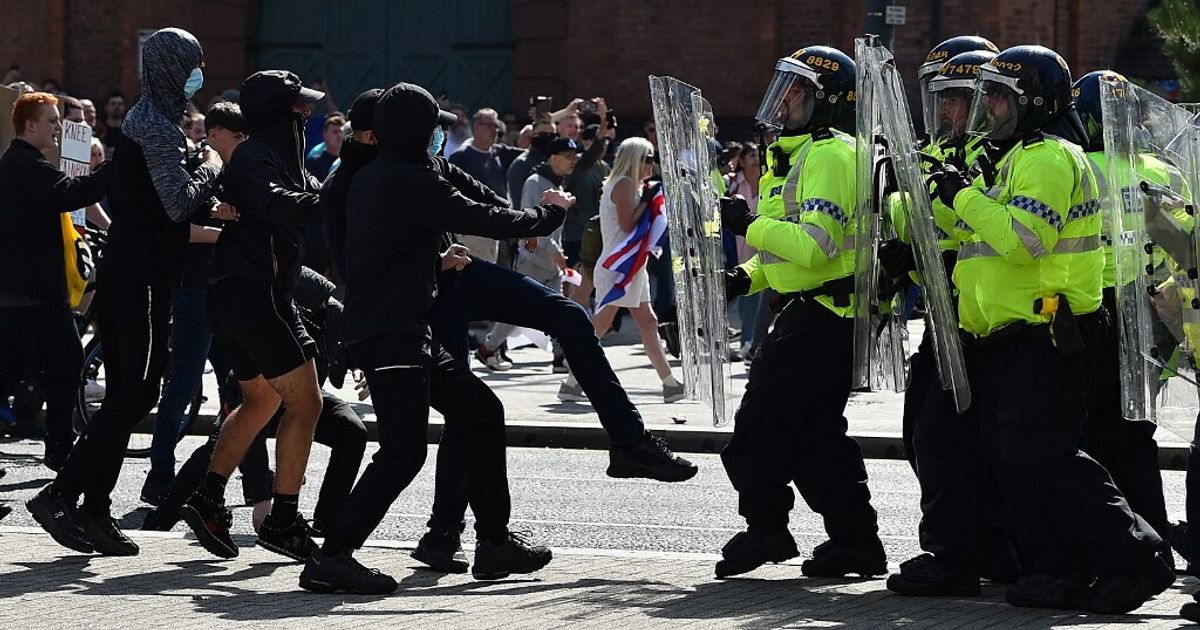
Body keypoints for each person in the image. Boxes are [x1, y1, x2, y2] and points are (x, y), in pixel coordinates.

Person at [299, 82, 566, 594]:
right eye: (432, 127)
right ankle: (332, 555)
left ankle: (492, 542)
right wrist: (548, 216)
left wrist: (431, 263)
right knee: (404, 452)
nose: (438, 136)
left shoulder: (378, 175)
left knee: (481, 411)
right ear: (417, 131)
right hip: (389, 330)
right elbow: (484, 217)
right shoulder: (404, 178)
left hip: (402, 327)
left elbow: (390, 248)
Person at [931, 45, 1172, 612]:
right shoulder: (1012, 157)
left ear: (1033, 101)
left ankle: (1139, 557)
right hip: (1008, 334)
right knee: (1014, 460)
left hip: (1046, 331)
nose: (986, 107)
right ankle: (1056, 569)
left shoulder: (1046, 157)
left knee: (1050, 458)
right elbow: (975, 231)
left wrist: (959, 193)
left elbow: (1025, 238)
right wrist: (933, 187)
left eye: (997, 96)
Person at [26, 28, 222, 556]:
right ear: (170, 67)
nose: (196, 75)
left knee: (130, 394)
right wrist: (212, 165)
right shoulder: (155, 125)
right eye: (191, 64)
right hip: (140, 277)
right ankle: (61, 494)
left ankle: (93, 509)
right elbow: (179, 203)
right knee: (137, 393)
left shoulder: (153, 121)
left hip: (139, 273)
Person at [718, 46, 887, 580]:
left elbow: (815, 248)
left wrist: (747, 226)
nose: (783, 99)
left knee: (757, 428)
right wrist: (744, 277)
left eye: (797, 90)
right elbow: (792, 258)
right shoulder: (794, 154)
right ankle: (856, 542)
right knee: (815, 439)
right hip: (812, 309)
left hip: (825, 318)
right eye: (782, 86)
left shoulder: (832, 155)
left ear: (828, 101)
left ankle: (767, 528)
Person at [885, 46, 1026, 598]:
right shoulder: (943, 154)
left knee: (941, 435)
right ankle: (990, 543)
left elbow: (964, 221)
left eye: (955, 100)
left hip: (978, 318)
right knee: (927, 433)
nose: (943, 112)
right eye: (937, 99)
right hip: (948, 313)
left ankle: (955, 553)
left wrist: (928, 222)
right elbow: (914, 214)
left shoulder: (986, 156)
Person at [180, 70, 328, 562]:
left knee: (261, 401)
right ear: (275, 113)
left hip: (247, 295)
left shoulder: (282, 157)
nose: (307, 114)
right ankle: (282, 519)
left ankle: (206, 499)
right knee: (305, 404)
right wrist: (336, 191)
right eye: (299, 108)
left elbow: (317, 197)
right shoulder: (254, 158)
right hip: (254, 295)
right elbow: (278, 205)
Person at [143, 266, 366, 538]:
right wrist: (262, 498)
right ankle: (159, 523)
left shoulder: (331, 312)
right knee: (220, 448)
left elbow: (344, 358)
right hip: (256, 386)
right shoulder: (276, 302)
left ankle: (326, 525)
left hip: (296, 393)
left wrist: (362, 366)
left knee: (351, 431)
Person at [1071, 69, 1172, 548]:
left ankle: (1114, 542)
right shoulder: (1162, 170)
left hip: (1097, 308)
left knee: (1089, 432)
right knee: (1136, 433)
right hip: (1154, 311)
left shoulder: (1079, 165)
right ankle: (1154, 529)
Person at [140, 102, 246, 505]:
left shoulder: (226, 170)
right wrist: (228, 231)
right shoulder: (192, 168)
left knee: (235, 385)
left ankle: (221, 475)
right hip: (194, 289)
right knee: (183, 384)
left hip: (221, 288)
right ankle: (160, 475)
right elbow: (179, 229)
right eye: (231, 137)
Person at [0, 92, 112, 474]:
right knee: (61, 367)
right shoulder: (25, 165)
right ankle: (61, 450)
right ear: (30, 125)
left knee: (58, 369)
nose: (58, 127)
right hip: (32, 298)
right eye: (51, 120)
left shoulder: (22, 164)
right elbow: (74, 192)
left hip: (28, 296)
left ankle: (61, 449)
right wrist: (117, 167)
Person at [565, 137, 684, 402]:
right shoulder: (624, 184)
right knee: (602, 326)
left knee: (648, 322)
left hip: (631, 265)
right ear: (634, 160)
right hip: (620, 266)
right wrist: (648, 201)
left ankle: (670, 384)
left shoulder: (630, 184)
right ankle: (572, 381)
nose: (652, 164)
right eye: (648, 158)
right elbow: (628, 225)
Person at [448, 107, 525, 263]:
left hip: (501, 229)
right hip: (475, 235)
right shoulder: (461, 157)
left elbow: (532, 154)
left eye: (496, 126)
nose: (494, 130)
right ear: (476, 127)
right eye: (489, 125)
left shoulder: (499, 153)